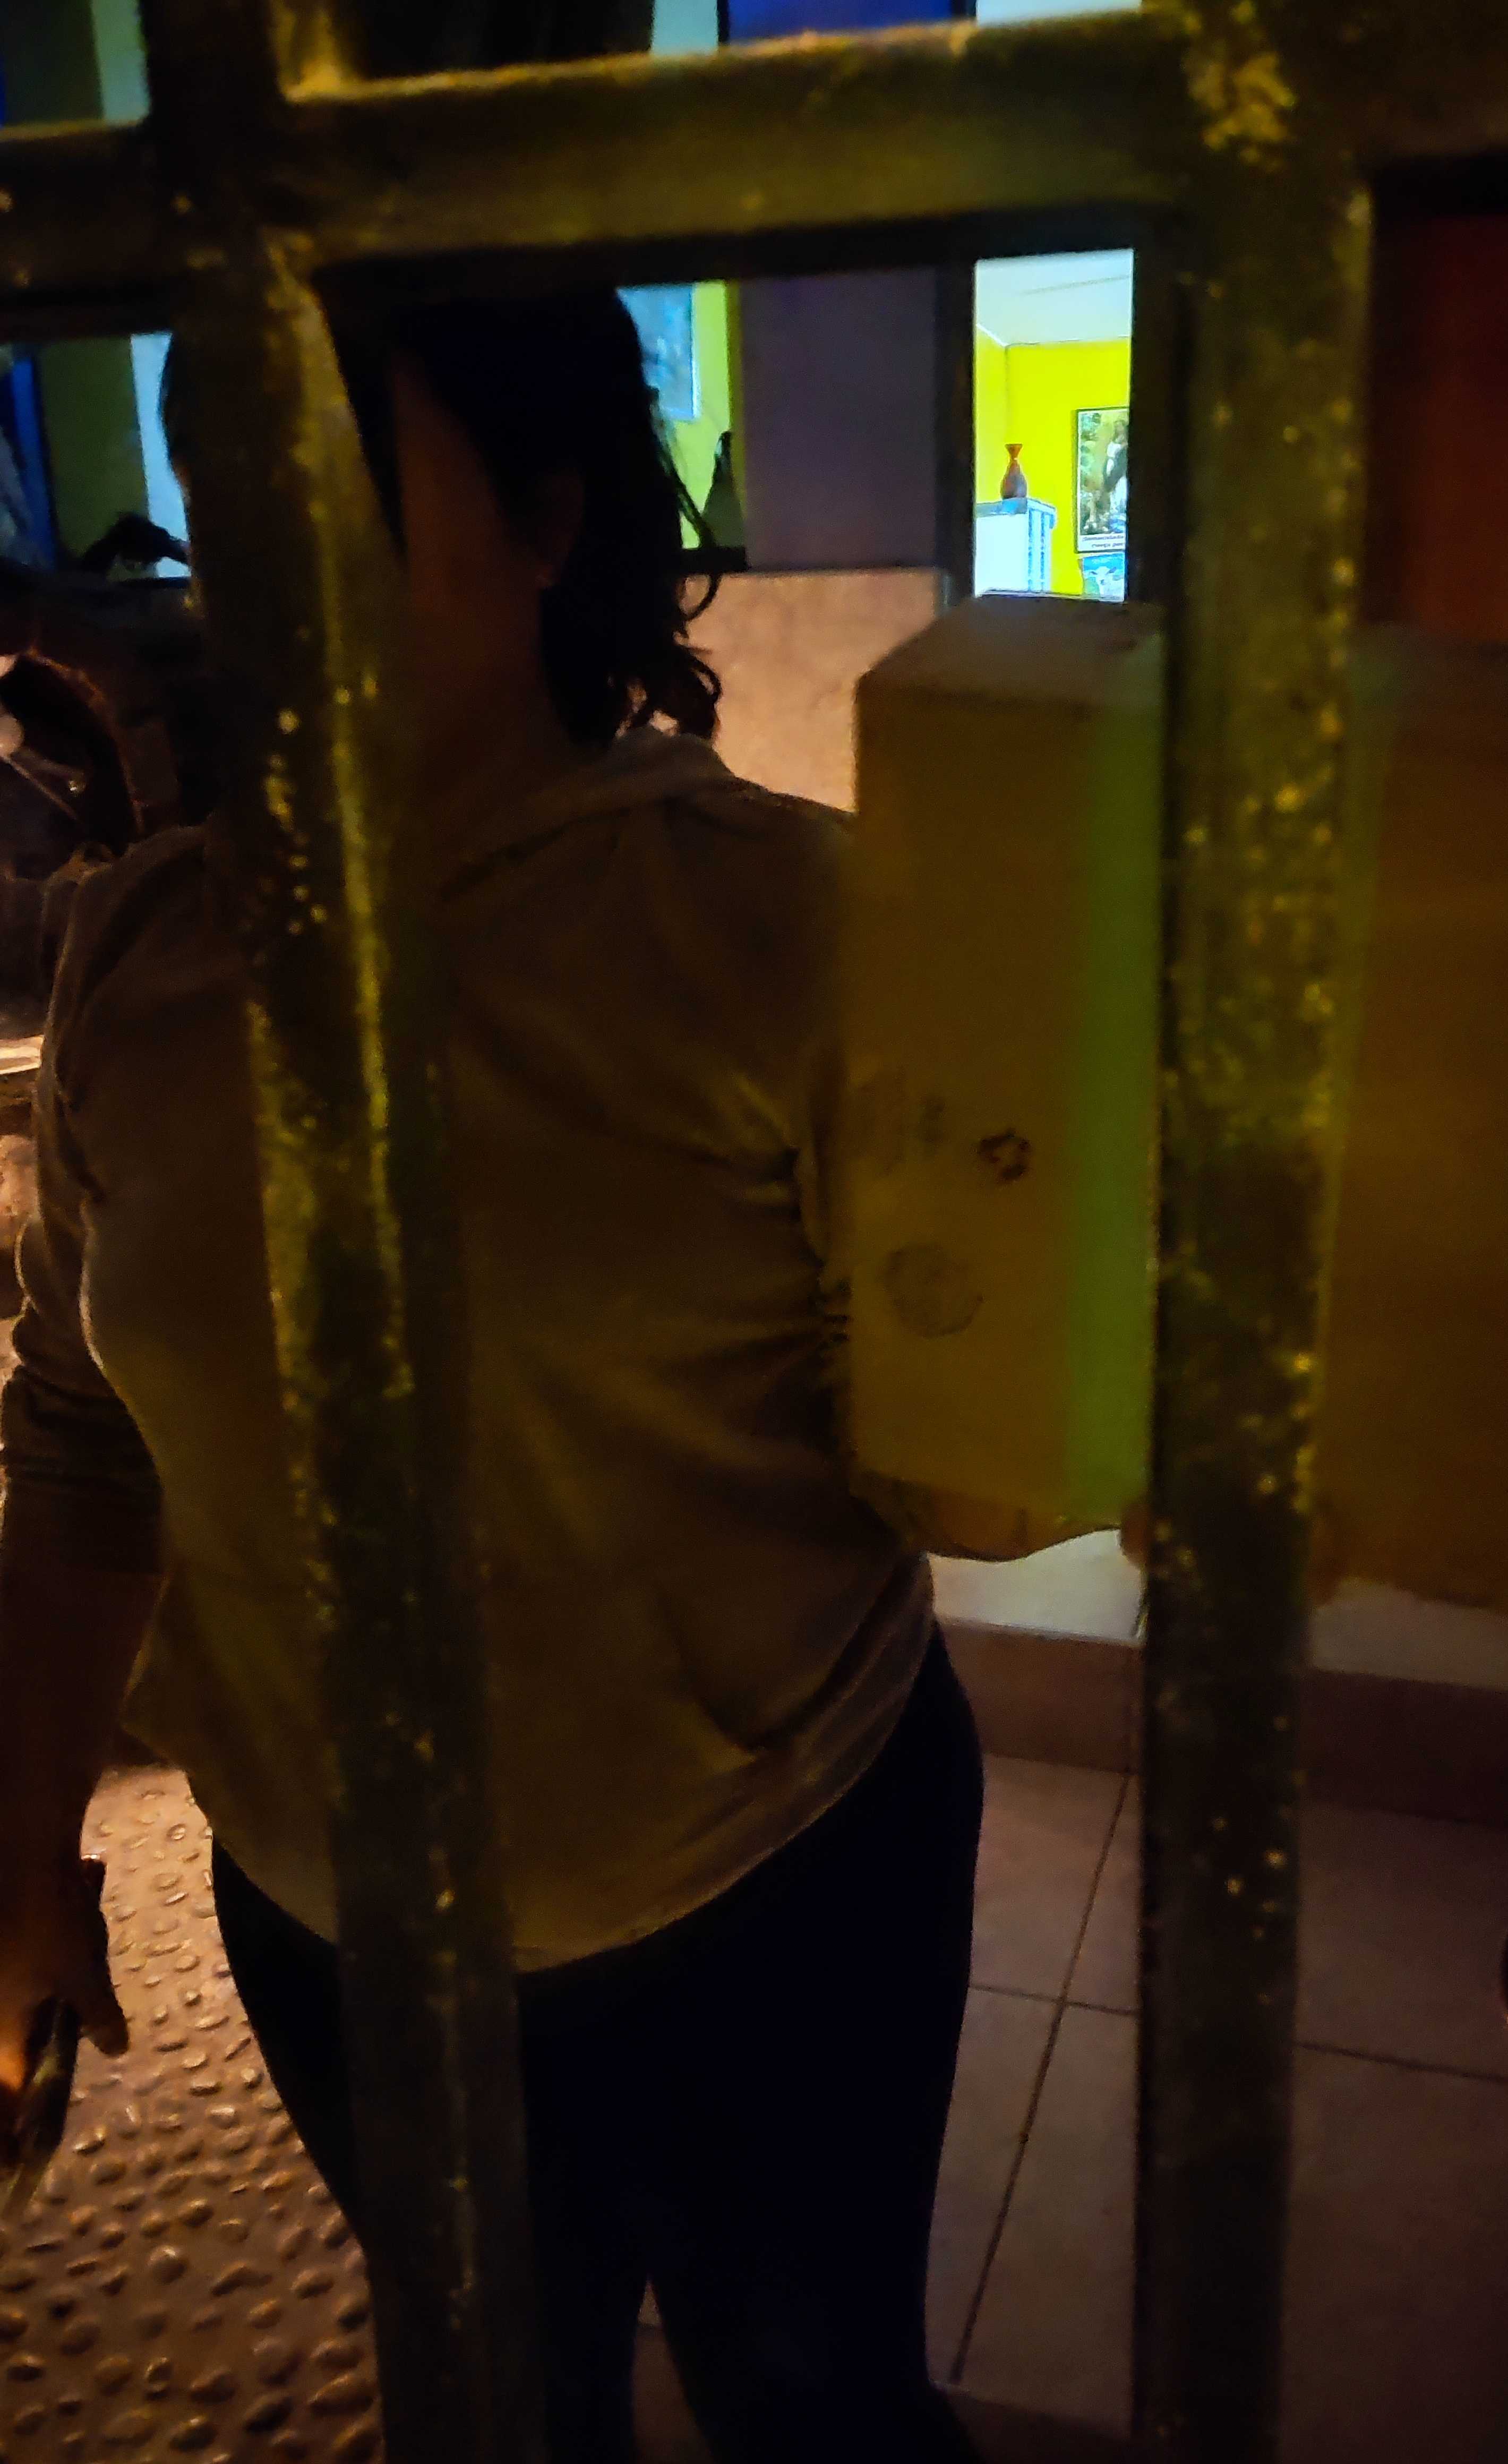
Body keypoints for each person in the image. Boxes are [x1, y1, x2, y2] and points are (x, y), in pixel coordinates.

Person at [0, 289, 990, 2463]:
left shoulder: (782, 927)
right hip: (338, 1933)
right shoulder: (145, 953)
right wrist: (23, 1824)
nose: (262, 561)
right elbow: (77, 1439)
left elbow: (975, 1457)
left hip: (775, 1892)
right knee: (494, 2409)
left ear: (549, 519)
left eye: (333, 484)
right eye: (222, 489)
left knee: (820, 2412)